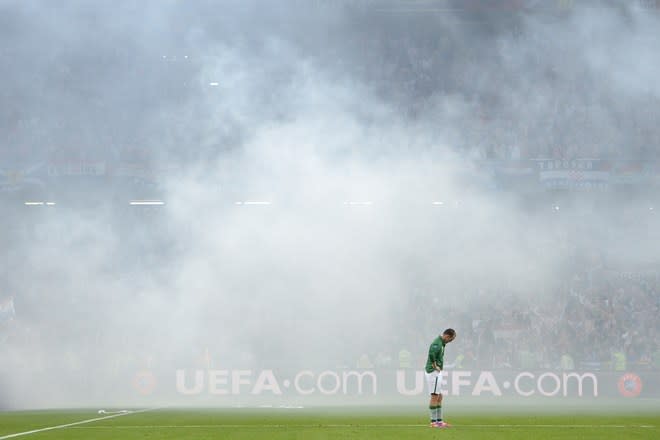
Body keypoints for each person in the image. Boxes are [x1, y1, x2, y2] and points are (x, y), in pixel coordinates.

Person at [425, 328, 456, 428]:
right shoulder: (437, 343)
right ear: (447, 336)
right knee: (434, 396)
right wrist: (435, 366)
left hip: (436, 372)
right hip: (433, 372)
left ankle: (439, 421)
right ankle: (433, 422)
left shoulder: (441, 343)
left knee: (440, 396)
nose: (451, 341)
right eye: (451, 339)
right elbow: (431, 354)